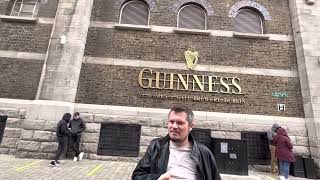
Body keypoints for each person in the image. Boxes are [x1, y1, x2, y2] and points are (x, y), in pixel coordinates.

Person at [132, 105, 221, 180]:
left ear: (191, 126)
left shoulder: (204, 153)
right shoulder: (156, 146)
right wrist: (157, 178)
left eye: (180, 123)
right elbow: (137, 176)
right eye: (171, 122)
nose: (174, 126)